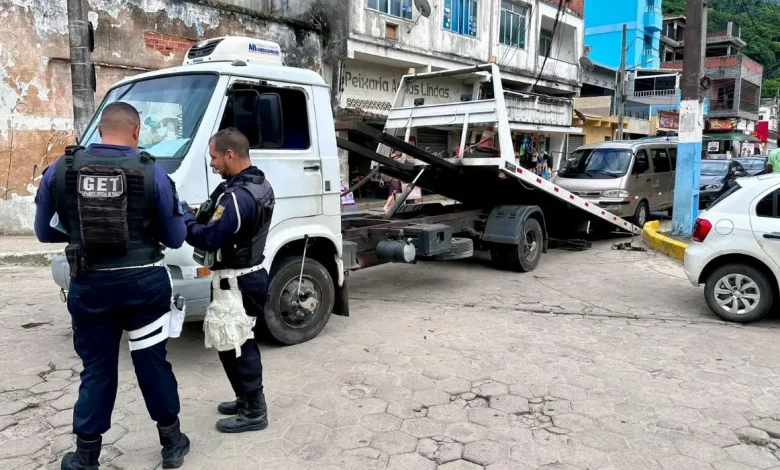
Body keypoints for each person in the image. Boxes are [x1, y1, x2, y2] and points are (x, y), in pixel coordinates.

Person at [33, 102, 190, 469]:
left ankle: (86, 456)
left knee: (97, 369)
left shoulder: (62, 169)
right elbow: (177, 237)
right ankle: (171, 444)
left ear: (100, 130)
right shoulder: (153, 173)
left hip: (91, 286)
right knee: (153, 363)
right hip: (144, 286)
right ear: (136, 133)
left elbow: (44, 232)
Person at [181, 128, 274, 433]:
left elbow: (209, 237)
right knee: (231, 343)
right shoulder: (258, 184)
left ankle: (255, 412)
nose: (212, 163)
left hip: (237, 281)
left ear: (230, 155)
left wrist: (184, 220)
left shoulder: (236, 196)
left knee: (239, 346)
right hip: (247, 276)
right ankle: (245, 399)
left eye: (214, 157)